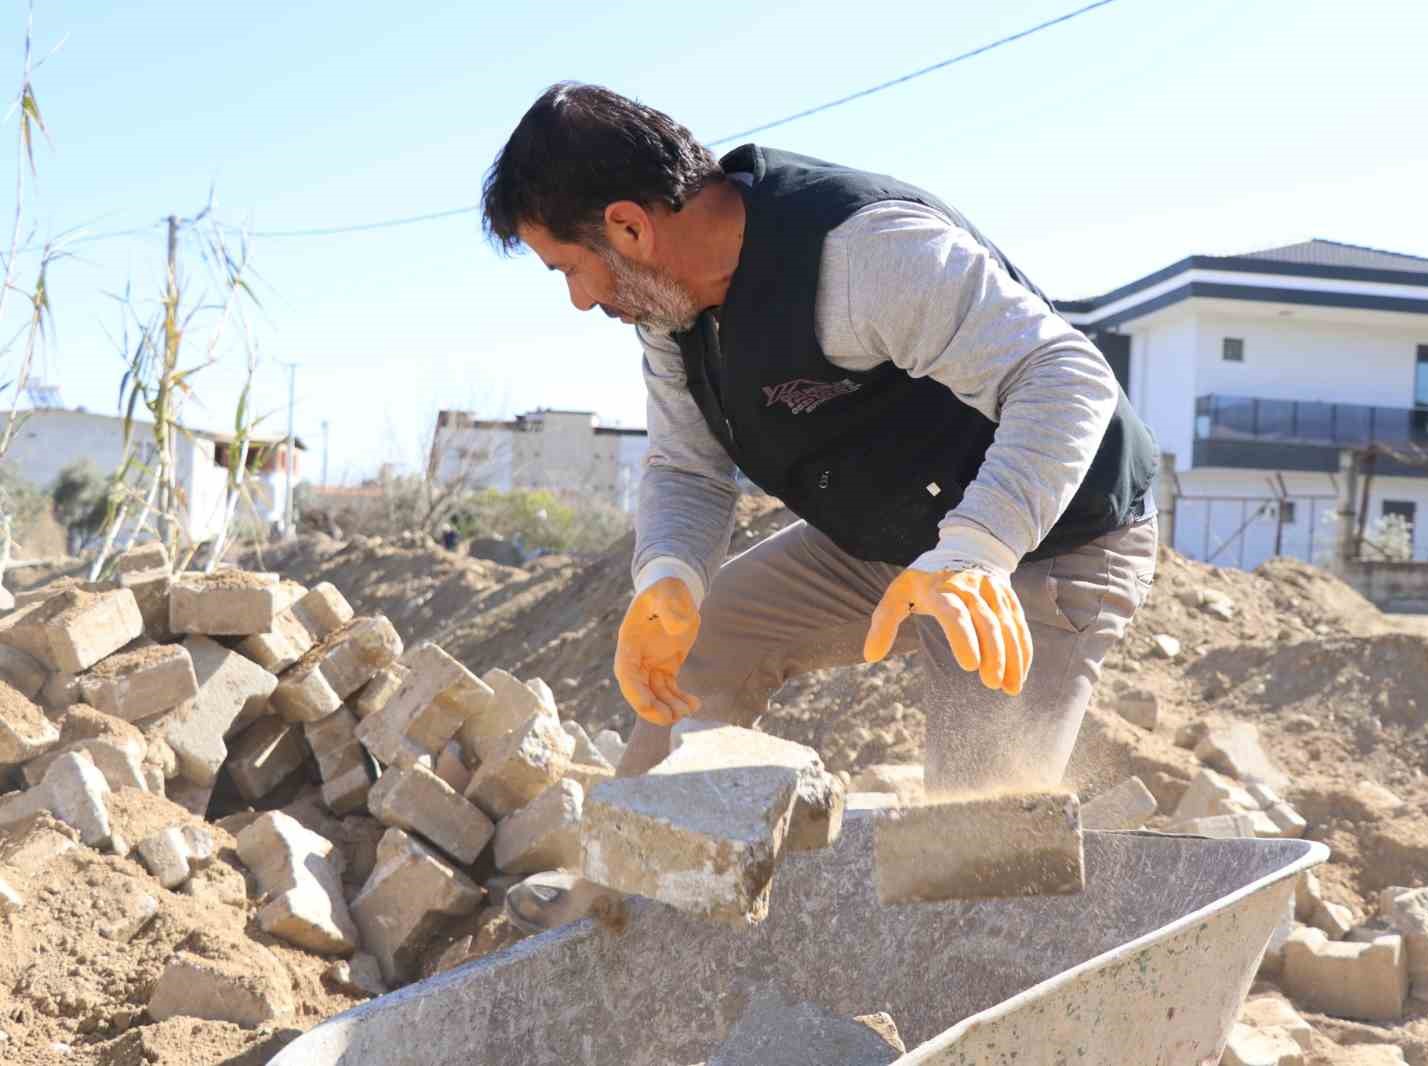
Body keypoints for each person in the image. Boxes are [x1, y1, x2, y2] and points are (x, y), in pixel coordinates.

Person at [481, 83, 1160, 795]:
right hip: (894, 531)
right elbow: (686, 467)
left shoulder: (863, 251)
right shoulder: (669, 311)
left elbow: (1064, 375)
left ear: (628, 228)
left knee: (973, 822)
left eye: (568, 268)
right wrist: (669, 577)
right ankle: (633, 865)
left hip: (1047, 537)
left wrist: (977, 550)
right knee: (701, 645)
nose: (580, 299)